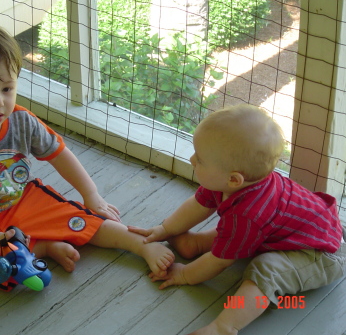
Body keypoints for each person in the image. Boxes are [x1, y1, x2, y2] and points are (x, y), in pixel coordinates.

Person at [0, 23, 174, 291]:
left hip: (23, 201)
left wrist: (91, 195)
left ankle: (140, 245)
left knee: (80, 218)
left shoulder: (22, 120)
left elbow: (59, 155)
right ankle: (42, 247)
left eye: (7, 88)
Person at [128, 104, 346, 334]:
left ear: (234, 179)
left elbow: (220, 261)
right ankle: (198, 243)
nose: (192, 160)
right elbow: (198, 205)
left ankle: (225, 326)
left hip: (321, 254)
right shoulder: (229, 183)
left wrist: (185, 274)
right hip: (294, 231)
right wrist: (165, 229)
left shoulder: (248, 215)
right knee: (231, 233)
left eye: (200, 159)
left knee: (265, 269)